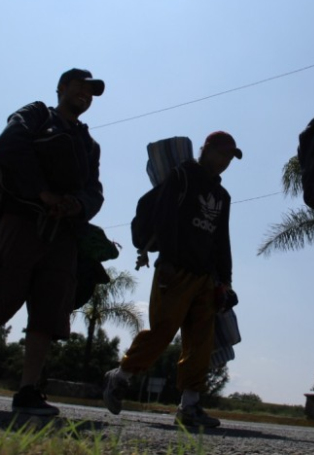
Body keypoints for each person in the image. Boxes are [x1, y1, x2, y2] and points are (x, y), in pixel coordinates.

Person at [0, 68, 105, 416]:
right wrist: (41, 192)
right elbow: (7, 146)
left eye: (91, 91)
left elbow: (95, 192)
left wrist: (76, 204)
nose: (85, 94)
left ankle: (28, 391)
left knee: (48, 311)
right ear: (61, 87)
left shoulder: (89, 145)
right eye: (80, 86)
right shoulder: (35, 115)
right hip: (22, 221)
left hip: (63, 233)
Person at [103, 131, 242, 428]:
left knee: (200, 341)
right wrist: (165, 258)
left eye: (230, 157)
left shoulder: (222, 196)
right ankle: (121, 375)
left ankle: (189, 406)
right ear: (205, 149)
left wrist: (225, 280)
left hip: (205, 277)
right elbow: (165, 217)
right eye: (222, 153)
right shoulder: (182, 177)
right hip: (175, 269)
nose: (225, 161)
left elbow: (221, 240)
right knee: (163, 330)